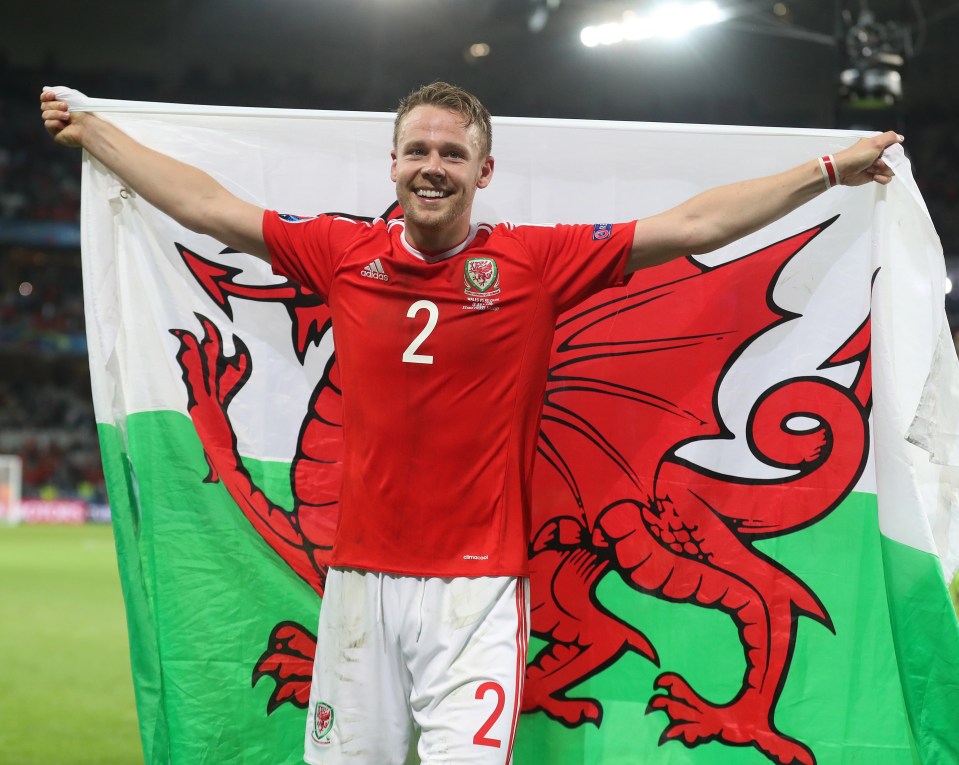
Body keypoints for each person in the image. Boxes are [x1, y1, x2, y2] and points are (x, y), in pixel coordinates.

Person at [41, 82, 901, 765]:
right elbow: (207, 207)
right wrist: (93, 132)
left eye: (452, 153)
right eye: (417, 149)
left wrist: (826, 171)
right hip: (357, 587)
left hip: (479, 591)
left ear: (482, 174)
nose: (433, 165)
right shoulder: (342, 251)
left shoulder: (533, 260)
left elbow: (692, 224)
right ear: (391, 164)